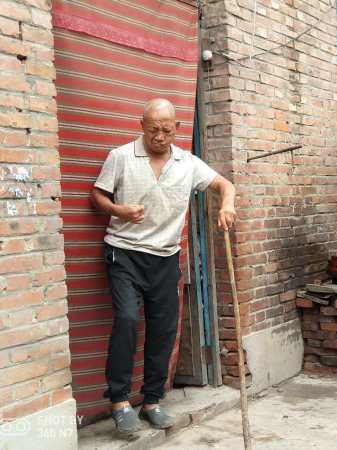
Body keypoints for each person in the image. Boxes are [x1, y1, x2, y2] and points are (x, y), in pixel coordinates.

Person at [91, 98, 236, 435]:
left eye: (167, 130)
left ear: (177, 129)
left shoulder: (188, 163)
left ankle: (152, 401)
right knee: (127, 319)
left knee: (164, 328)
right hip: (124, 253)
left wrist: (226, 205)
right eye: (153, 129)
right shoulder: (121, 156)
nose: (160, 136)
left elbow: (223, 185)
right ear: (141, 125)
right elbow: (97, 197)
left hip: (165, 256)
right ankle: (119, 401)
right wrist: (118, 210)